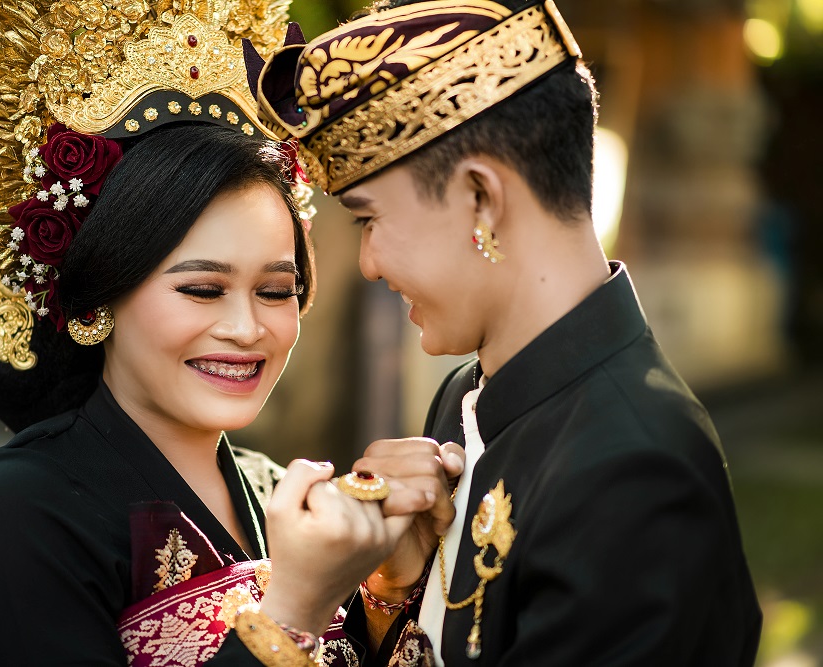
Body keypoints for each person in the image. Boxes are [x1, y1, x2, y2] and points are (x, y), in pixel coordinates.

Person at [0, 1, 459, 665]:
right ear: (96, 303)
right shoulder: (13, 514)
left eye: (275, 291)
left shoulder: (276, 492)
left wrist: (387, 586)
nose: (246, 328)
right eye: (202, 289)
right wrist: (290, 613)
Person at [253, 0, 763, 664]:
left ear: (481, 197)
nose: (369, 264)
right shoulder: (465, 397)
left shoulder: (635, 474)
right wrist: (390, 592)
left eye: (369, 219)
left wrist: (289, 624)